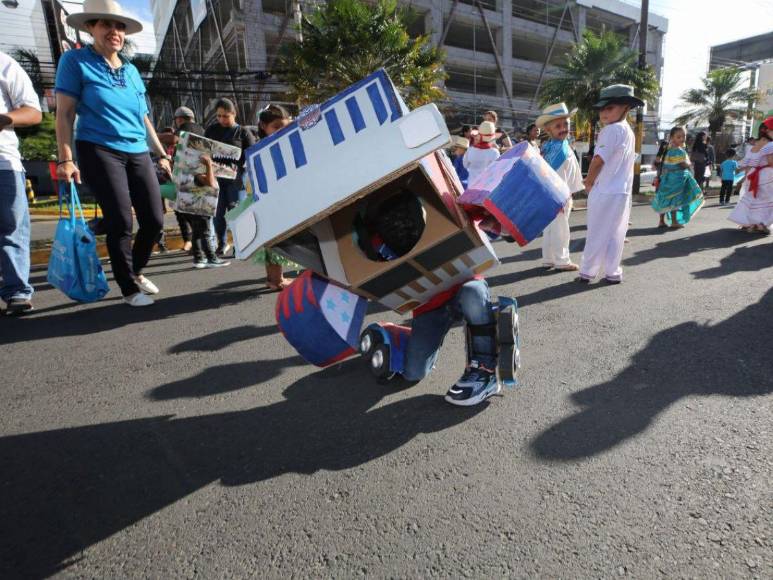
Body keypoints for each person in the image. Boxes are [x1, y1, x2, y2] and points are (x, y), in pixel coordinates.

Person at [55, 1, 170, 307]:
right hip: (98, 148)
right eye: (105, 24)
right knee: (120, 220)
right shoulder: (75, 61)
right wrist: (65, 159)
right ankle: (129, 288)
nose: (114, 31)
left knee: (155, 219)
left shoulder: (132, 71)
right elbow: (64, 114)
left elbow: (144, 119)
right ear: (91, 27)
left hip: (137, 150)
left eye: (119, 26)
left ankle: (136, 270)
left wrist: (161, 155)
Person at [363, 192, 501, 406]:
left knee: (473, 294)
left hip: (463, 288)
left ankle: (485, 371)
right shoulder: (370, 240)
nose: (399, 226)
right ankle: (398, 334)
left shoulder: (439, 201)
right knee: (412, 373)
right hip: (429, 305)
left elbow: (486, 212)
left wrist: (494, 221)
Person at [577, 85, 644, 285]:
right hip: (622, 191)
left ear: (626, 107)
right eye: (602, 109)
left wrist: (588, 182)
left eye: (610, 108)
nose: (604, 113)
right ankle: (613, 272)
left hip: (605, 190)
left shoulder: (610, 130)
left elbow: (598, 160)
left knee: (596, 232)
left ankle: (587, 272)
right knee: (617, 232)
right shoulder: (627, 131)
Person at [0, 50, 42, 316]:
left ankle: (17, 291)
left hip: (3, 162)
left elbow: (33, 111)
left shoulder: (4, 63)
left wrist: (5, 119)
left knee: (11, 229)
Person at [204, 97, 255, 257]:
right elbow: (204, 150)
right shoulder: (211, 130)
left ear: (234, 114)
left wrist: (242, 168)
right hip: (217, 179)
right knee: (218, 215)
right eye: (219, 116)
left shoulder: (243, 132)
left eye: (225, 116)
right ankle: (222, 244)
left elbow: (252, 155)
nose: (222, 119)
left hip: (237, 180)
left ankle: (239, 244)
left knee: (236, 213)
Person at [536, 102, 584, 271]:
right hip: (559, 195)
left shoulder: (551, 146)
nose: (563, 128)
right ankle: (562, 260)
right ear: (548, 130)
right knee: (561, 229)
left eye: (566, 124)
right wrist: (562, 197)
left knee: (551, 228)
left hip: (552, 195)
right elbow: (556, 177)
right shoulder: (557, 150)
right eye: (558, 126)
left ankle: (548, 258)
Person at [254, 104, 296, 290]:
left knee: (273, 242)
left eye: (285, 126)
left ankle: (273, 279)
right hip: (270, 200)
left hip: (274, 199)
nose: (282, 130)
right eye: (276, 127)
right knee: (275, 241)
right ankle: (276, 279)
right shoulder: (264, 148)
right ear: (264, 126)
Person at [159, 106, 207, 253]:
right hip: (197, 175)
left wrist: (154, 136)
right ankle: (197, 245)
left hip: (187, 177)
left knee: (185, 211)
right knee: (190, 212)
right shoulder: (201, 129)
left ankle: (196, 245)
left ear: (180, 119)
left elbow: (175, 139)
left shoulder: (187, 127)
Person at [650, 126, 704, 228]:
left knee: (664, 198)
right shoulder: (678, 151)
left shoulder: (666, 149)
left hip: (665, 177)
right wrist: (689, 164)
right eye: (678, 137)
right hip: (676, 178)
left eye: (683, 136)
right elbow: (682, 165)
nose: (682, 139)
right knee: (675, 199)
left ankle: (661, 221)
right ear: (672, 138)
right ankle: (674, 222)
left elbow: (658, 162)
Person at [728, 116, 773, 235]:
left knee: (751, 200)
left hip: (752, 176)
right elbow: (771, 162)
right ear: (769, 131)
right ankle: (760, 224)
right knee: (766, 202)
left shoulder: (753, 145)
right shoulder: (770, 145)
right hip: (767, 176)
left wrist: (747, 179)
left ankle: (748, 222)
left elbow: (747, 164)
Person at [462, 120, 500, 185]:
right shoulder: (495, 152)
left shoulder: (470, 150)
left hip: (472, 185)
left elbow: (465, 165)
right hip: (487, 187)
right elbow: (497, 171)